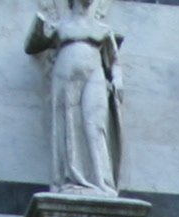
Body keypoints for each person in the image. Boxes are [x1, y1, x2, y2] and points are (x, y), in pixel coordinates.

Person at [30, 0, 123, 195]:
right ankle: (73, 179)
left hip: (94, 75)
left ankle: (102, 182)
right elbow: (32, 45)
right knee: (69, 125)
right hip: (65, 77)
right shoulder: (61, 25)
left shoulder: (102, 29)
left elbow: (114, 61)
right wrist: (38, 27)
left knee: (95, 125)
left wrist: (117, 78)